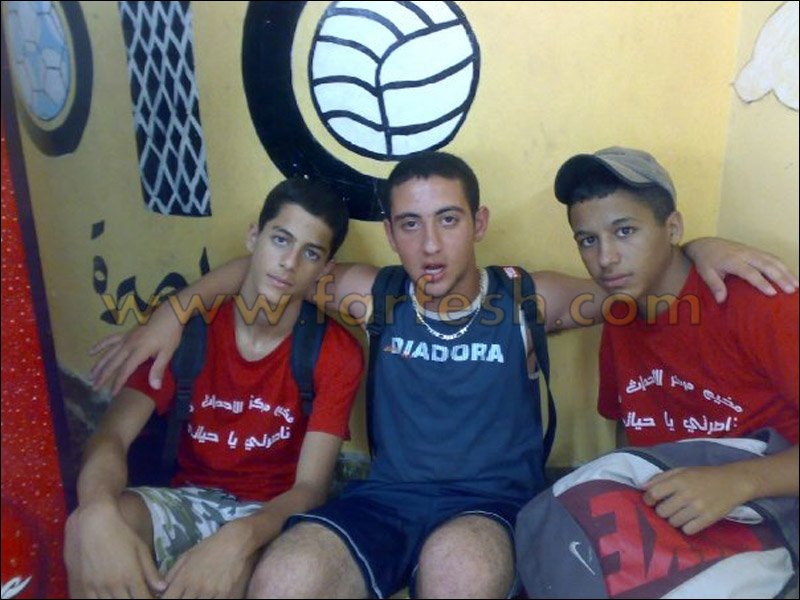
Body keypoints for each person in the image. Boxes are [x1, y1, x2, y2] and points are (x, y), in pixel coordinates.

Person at [89, 152, 797, 598]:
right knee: (286, 575)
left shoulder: (531, 299)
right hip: (384, 501)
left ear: (479, 222)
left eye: (449, 220)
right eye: (409, 224)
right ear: (391, 233)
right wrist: (174, 312)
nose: (430, 245)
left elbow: (638, 281)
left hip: (488, 506)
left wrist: (700, 245)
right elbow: (272, 265)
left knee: (459, 567)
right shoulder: (373, 295)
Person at [64, 178, 364, 599]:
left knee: (246, 576)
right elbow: (111, 435)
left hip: (269, 516)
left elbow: (310, 489)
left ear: (325, 270)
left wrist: (239, 538)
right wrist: (96, 509)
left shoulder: (334, 351)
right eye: (280, 239)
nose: (289, 263)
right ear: (254, 237)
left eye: (310, 253)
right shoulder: (186, 330)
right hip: (187, 499)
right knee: (86, 529)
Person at [552, 146, 798, 534]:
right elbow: (629, 426)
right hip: (674, 515)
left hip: (774, 514)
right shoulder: (622, 312)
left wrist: (739, 481)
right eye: (587, 240)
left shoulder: (759, 302)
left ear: (673, 229)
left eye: (625, 231)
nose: (605, 258)